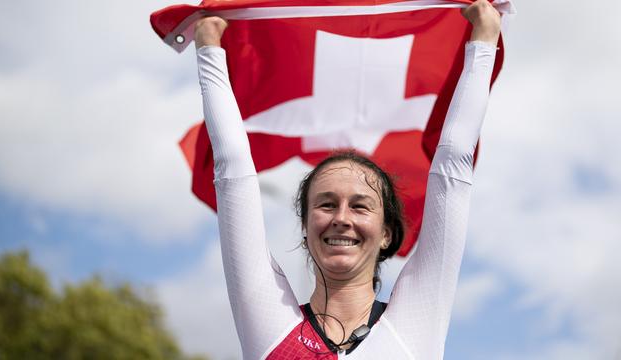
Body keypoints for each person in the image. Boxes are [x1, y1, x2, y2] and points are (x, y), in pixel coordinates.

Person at [193, 0, 501, 358]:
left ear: (387, 233)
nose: (342, 218)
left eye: (360, 206)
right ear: (306, 225)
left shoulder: (418, 321)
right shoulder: (266, 319)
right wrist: (209, 46)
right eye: (326, 204)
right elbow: (232, 170)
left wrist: (483, 41)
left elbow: (454, 163)